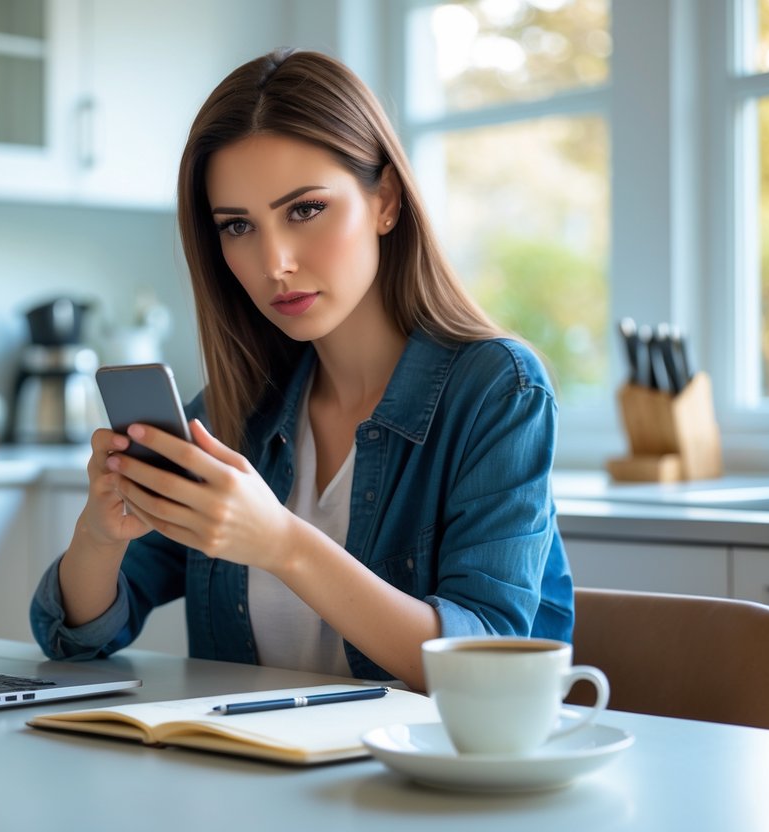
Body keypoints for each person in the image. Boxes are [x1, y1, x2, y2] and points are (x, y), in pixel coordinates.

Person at [29, 48, 573, 691]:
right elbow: (76, 637)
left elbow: (491, 667)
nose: (274, 262)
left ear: (386, 202)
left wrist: (283, 543)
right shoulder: (232, 413)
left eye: (305, 210)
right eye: (237, 226)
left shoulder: (497, 391)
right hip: (251, 783)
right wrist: (99, 533)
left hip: (426, 787)